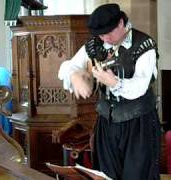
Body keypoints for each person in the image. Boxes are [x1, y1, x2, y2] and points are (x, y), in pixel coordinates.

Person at [58, 3, 161, 180]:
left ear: (121, 23)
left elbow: (140, 86)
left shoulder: (145, 45)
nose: (105, 38)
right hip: (106, 123)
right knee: (105, 176)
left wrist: (114, 83)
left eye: (109, 33)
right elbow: (69, 66)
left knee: (137, 176)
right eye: (101, 34)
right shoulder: (96, 44)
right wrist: (75, 75)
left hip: (138, 124)